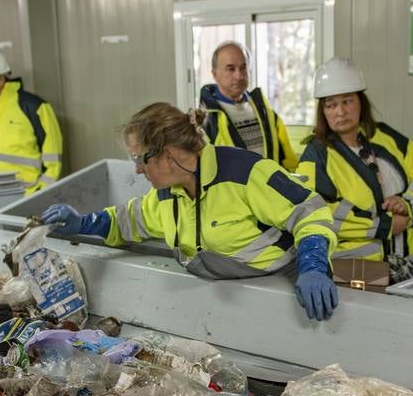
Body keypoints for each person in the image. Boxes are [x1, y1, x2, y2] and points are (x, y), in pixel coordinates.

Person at [38, 103, 339, 321]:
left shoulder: (245, 173)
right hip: (226, 301)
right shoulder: (167, 195)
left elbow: (310, 213)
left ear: (167, 153)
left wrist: (313, 266)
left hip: (281, 294)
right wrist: (82, 222)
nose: (137, 169)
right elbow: (126, 220)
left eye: (139, 158)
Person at [297, 58, 413, 273]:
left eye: (347, 101)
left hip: (405, 265)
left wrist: (406, 205)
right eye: (331, 104)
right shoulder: (316, 155)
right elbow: (317, 212)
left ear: (361, 101)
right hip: (356, 272)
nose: (340, 111)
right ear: (323, 111)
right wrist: (385, 225)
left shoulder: (390, 139)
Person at [0, 46, 63, 193]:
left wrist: (39, 195)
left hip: (26, 198)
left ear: (0, 79)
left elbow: (53, 161)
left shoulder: (34, 107)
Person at [197, 41, 298, 169]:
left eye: (243, 67)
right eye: (231, 69)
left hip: (268, 188)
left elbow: (288, 159)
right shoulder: (204, 120)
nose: (239, 76)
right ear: (214, 73)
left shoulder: (265, 111)